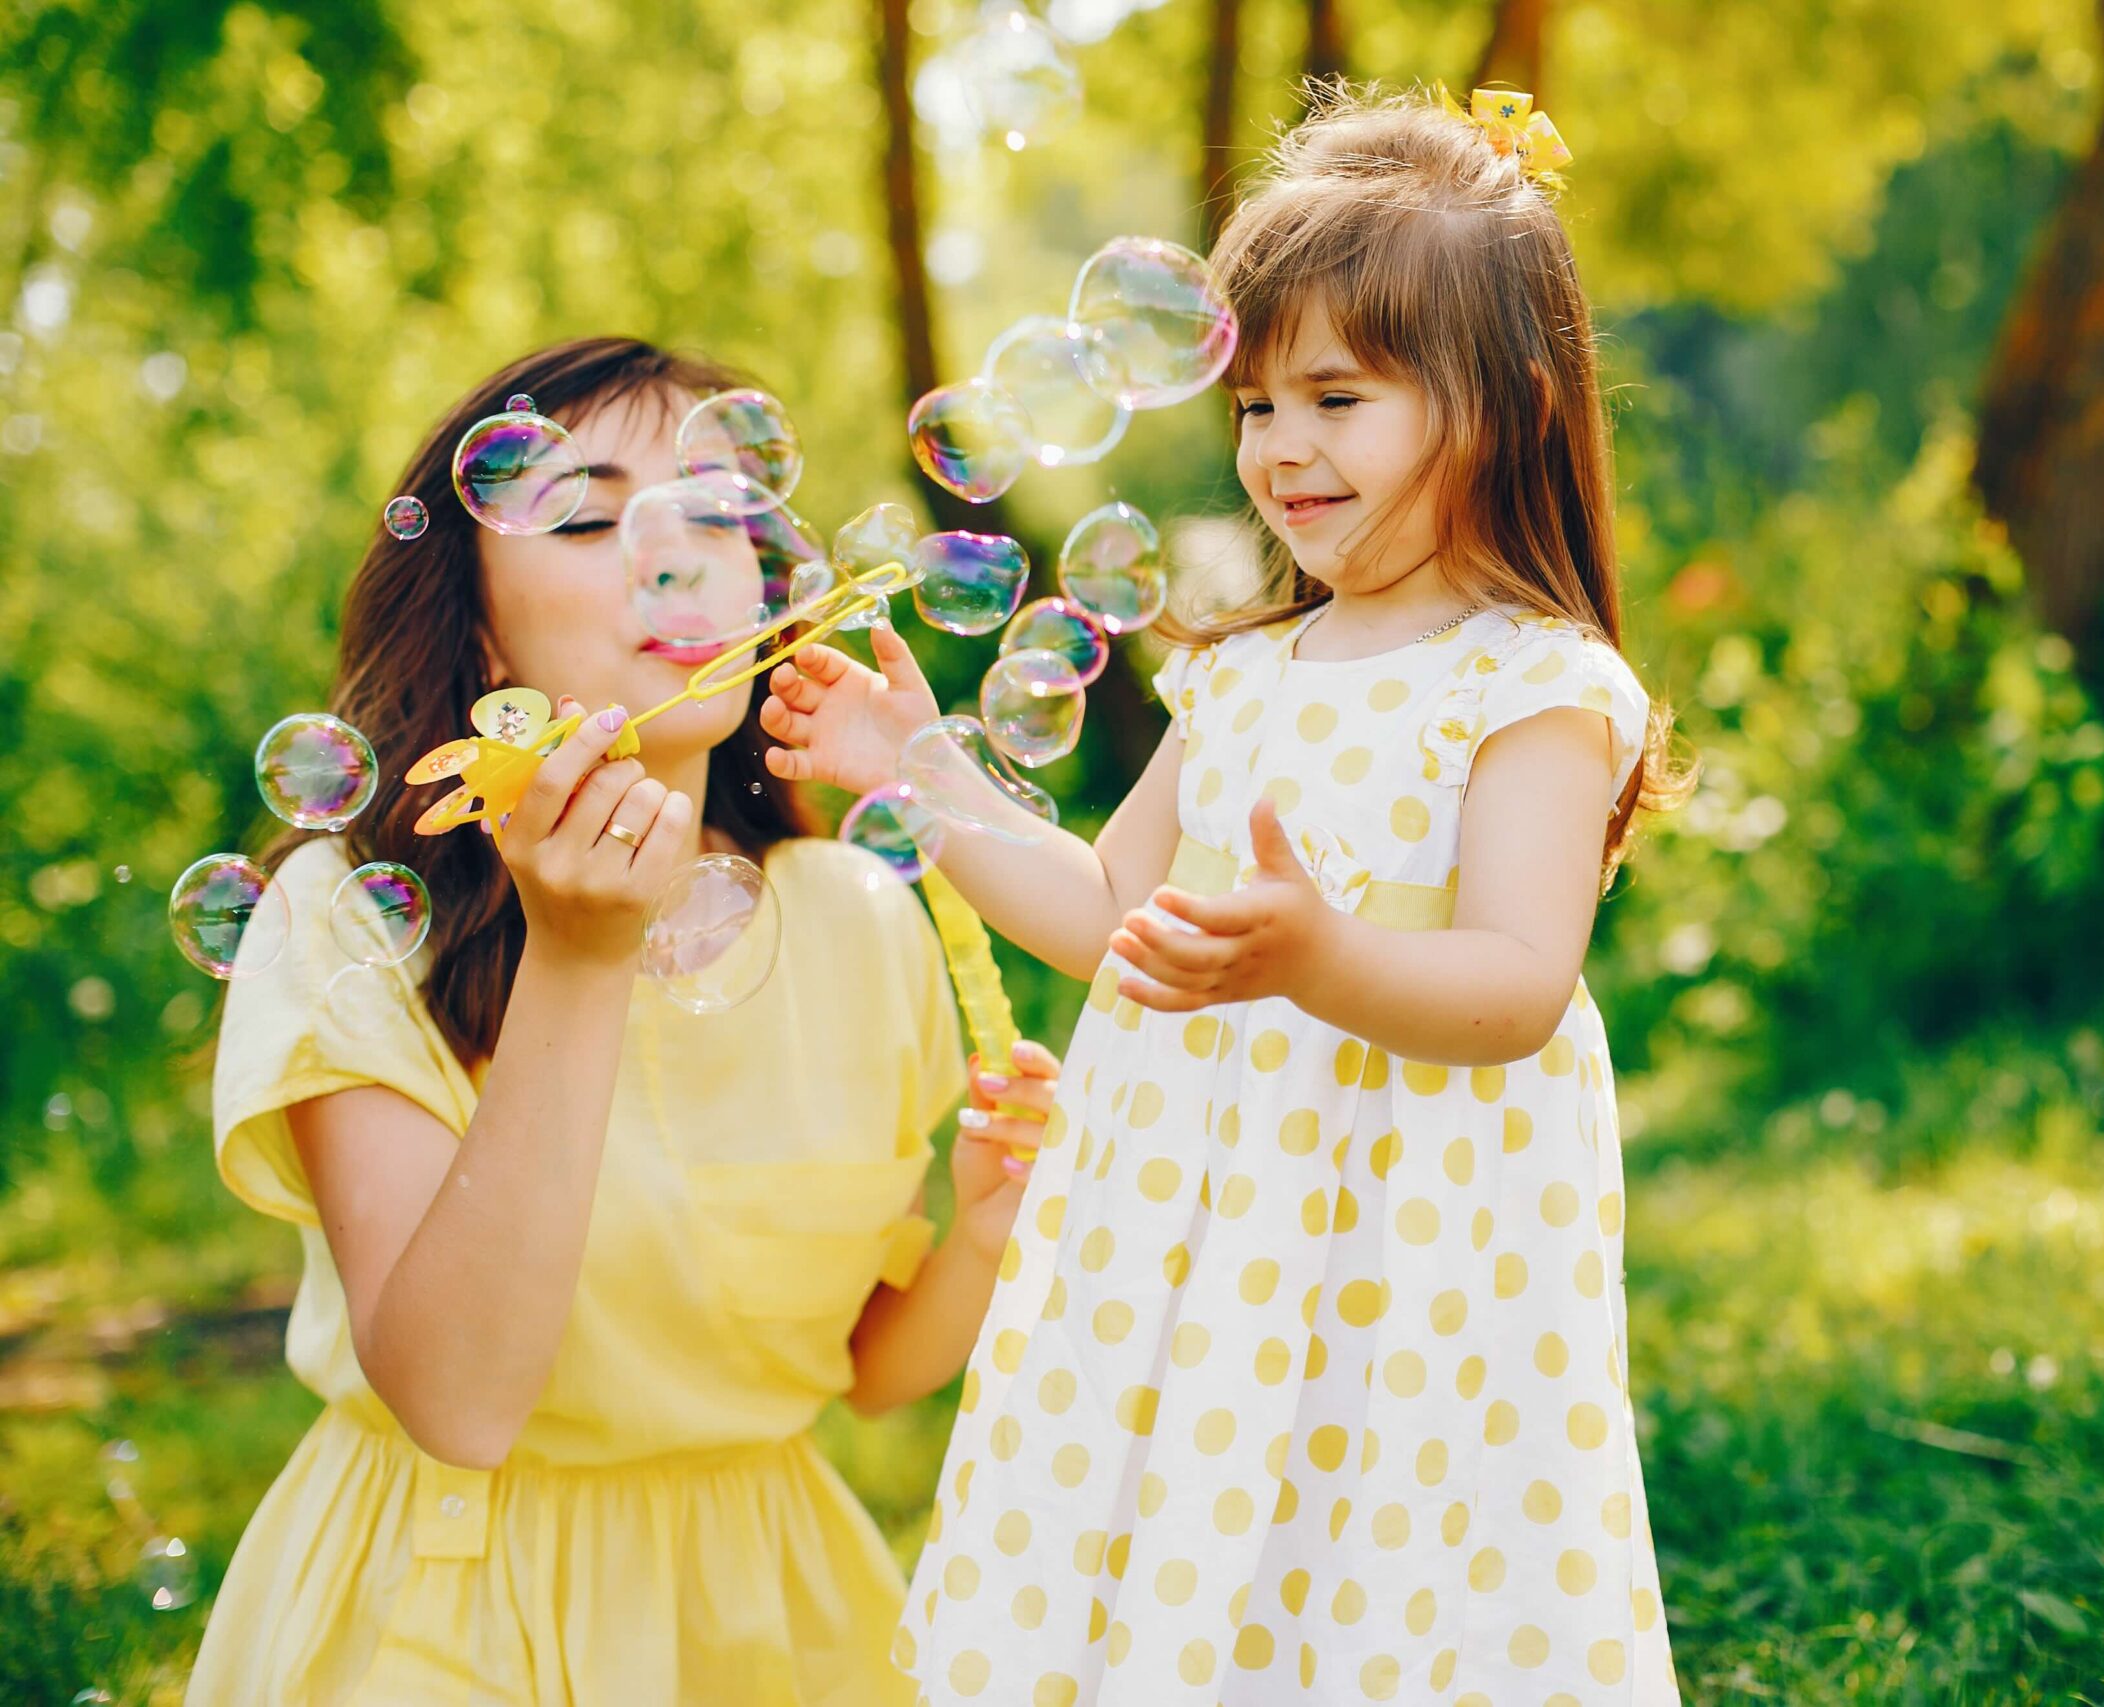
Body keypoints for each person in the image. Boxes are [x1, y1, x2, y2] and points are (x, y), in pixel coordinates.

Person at [762, 85, 1692, 1703]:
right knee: (1189, 1546)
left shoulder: (1533, 682)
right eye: (1257, 405)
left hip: (1402, 1244)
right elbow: (1109, 910)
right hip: (1187, 1240)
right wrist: (921, 766)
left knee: (1366, 1559)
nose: (1282, 448)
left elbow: (1519, 982)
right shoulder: (1246, 675)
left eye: (1337, 395)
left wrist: (1319, 956)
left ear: (1514, 404)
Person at [187, 336, 1054, 1705]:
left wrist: (985, 1238)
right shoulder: (345, 919)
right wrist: (578, 964)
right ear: (477, 626)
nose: (677, 552)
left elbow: (864, 1372)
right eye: (591, 517)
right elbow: (459, 1402)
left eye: (719, 512)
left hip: (769, 1624)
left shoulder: (858, 917)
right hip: (447, 1619)